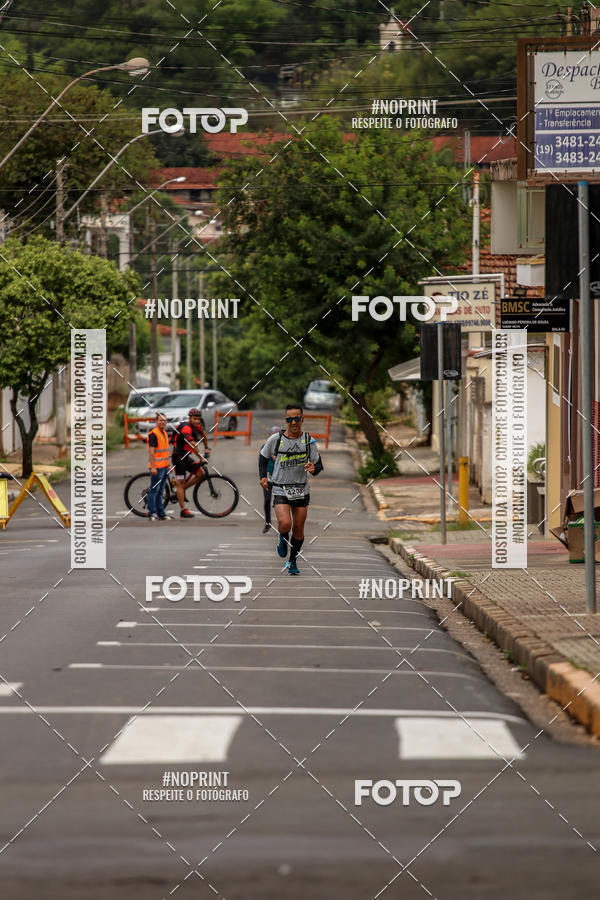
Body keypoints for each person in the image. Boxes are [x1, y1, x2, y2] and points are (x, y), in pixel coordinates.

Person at [259, 404, 322, 575]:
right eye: (289, 419)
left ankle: (292, 561)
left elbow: (319, 464)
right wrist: (263, 476)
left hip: (301, 489)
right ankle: (282, 536)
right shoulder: (276, 439)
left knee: (299, 529)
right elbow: (263, 457)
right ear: (286, 421)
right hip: (280, 488)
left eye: (296, 419)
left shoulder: (309, 440)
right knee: (285, 523)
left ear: (302, 419)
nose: (293, 422)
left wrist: (313, 468)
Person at [171, 407, 210, 519]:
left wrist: (207, 448)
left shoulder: (196, 426)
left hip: (186, 456)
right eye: (194, 419)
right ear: (190, 418)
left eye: (198, 419)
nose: (197, 421)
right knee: (180, 482)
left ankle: (183, 490)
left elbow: (203, 434)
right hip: (178, 457)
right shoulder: (186, 428)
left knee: (200, 474)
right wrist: (201, 457)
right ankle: (183, 510)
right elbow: (193, 444)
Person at [147, 412, 172, 521]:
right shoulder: (154, 434)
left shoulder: (164, 433)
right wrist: (153, 467)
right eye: (160, 420)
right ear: (156, 421)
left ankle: (161, 512)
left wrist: (168, 465)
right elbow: (151, 452)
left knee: (161, 491)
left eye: (164, 420)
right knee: (154, 490)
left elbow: (165, 452)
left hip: (165, 466)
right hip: (157, 467)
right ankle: (152, 513)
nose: (162, 422)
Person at [260, 425, 280, 534]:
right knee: (267, 500)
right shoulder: (265, 446)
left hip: (279, 479)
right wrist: (261, 478)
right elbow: (261, 464)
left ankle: (282, 524)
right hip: (268, 478)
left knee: (278, 502)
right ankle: (268, 523)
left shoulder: (283, 448)